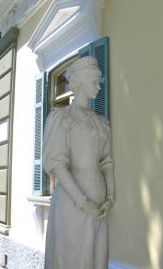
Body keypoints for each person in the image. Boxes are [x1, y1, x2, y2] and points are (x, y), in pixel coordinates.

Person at [43, 56, 116, 269]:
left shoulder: (101, 123)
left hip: (99, 205)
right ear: (80, 83)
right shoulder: (62, 118)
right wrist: (83, 201)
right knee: (72, 259)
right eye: (94, 82)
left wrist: (110, 198)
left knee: (96, 259)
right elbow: (57, 164)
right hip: (72, 203)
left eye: (99, 82)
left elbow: (107, 163)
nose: (99, 87)